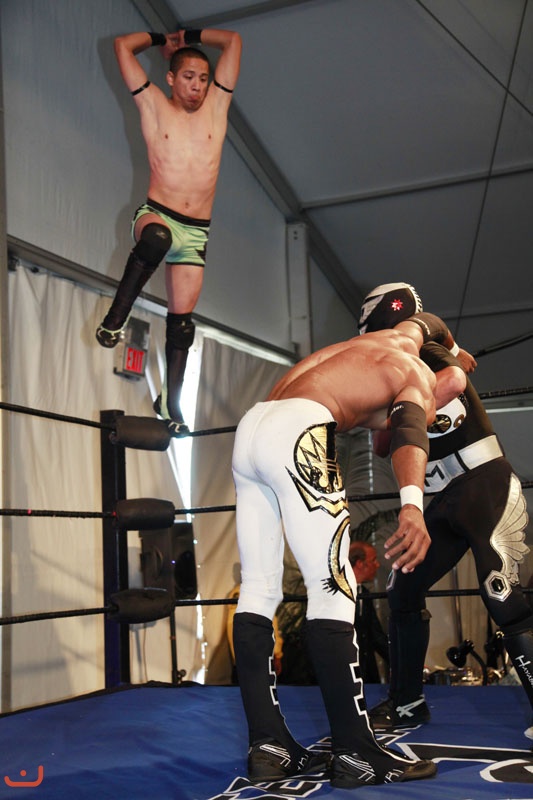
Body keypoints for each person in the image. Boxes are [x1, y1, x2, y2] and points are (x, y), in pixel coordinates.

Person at [231, 320, 466, 788]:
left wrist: (455, 348)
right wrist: (412, 507)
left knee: (258, 587)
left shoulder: (368, 346)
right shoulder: (417, 374)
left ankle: (269, 747)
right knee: (333, 589)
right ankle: (356, 753)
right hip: (299, 430)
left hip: (252, 429)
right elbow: (408, 432)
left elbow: (384, 427)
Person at [357, 283, 532, 738]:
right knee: (403, 588)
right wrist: (392, 408)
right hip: (446, 497)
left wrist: (407, 407)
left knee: (502, 595)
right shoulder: (392, 368)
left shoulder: (422, 348)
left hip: (484, 482)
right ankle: (407, 702)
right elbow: (380, 445)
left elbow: (454, 381)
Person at [96, 26, 242, 434]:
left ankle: (169, 402)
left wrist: (192, 34)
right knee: (156, 239)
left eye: (203, 79)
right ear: (171, 78)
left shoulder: (217, 105)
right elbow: (122, 45)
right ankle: (115, 319)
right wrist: (164, 39)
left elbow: (232, 42)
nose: (197, 86)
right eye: (189, 77)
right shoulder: (153, 104)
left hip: (196, 232)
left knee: (182, 326)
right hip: (158, 216)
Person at [349, 540, 390, 683]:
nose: (377, 565)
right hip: (346, 674)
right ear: (360, 563)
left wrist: (401, 663)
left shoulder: (364, 593)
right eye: (373, 560)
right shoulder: (336, 593)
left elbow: (376, 635)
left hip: (367, 675)